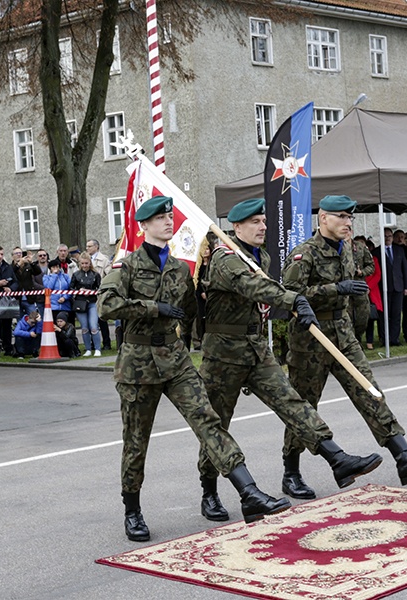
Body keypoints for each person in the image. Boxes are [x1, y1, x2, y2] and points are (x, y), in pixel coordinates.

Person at [98, 195, 291, 541]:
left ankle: (249, 492)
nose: (168, 222)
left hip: (176, 362)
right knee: (136, 442)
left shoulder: (178, 269)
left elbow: (189, 313)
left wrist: (193, 346)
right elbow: (106, 306)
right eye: (159, 218)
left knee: (209, 423)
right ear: (144, 226)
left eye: (170, 216)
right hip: (138, 366)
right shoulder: (125, 267)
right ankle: (132, 511)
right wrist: (152, 308)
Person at [196, 197, 382, 518]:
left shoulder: (261, 255)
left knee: (292, 402)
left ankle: (336, 458)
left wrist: (295, 300)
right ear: (236, 226)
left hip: (255, 346)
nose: (262, 227)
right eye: (254, 222)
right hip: (223, 353)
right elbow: (257, 288)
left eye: (264, 221)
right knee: (218, 423)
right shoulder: (227, 259)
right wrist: (295, 299)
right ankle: (209, 491)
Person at [282, 195, 407, 488]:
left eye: (350, 218)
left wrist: (359, 318)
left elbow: (354, 292)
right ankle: (291, 472)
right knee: (304, 407)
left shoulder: (348, 250)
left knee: (370, 392)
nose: (348, 223)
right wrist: (336, 288)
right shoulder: (303, 253)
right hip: (311, 340)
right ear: (323, 219)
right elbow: (289, 295)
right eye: (342, 217)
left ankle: (404, 457)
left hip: (344, 335)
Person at [371, 228, 407, 346]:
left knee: (396, 314)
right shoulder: (376, 252)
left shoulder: (399, 250)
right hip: (383, 288)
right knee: (383, 316)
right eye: (385, 236)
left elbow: (405, 269)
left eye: (390, 236)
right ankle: (384, 338)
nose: (388, 238)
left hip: (398, 287)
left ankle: (394, 339)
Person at [70, 252, 102, 356]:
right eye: (82, 263)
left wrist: (91, 291)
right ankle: (88, 349)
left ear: (90, 263)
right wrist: (79, 290)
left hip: (92, 302)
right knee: (84, 327)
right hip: (80, 303)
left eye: (86, 263)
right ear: (79, 263)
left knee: (93, 326)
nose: (84, 265)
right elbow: (71, 288)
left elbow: (100, 288)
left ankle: (97, 348)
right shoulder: (76, 275)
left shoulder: (96, 275)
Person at [87, 239, 113, 350]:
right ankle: (93, 343)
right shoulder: (86, 259)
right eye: (87, 246)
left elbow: (109, 275)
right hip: (88, 295)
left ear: (96, 247)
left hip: (100, 293)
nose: (87, 248)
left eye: (90, 246)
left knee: (102, 320)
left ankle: (107, 343)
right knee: (91, 321)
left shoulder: (104, 259)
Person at [349, 234, 375, 342]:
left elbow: (371, 266)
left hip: (359, 286)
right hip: (343, 288)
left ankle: (357, 338)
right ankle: (350, 343)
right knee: (346, 318)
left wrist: (362, 272)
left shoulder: (360, 247)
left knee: (363, 317)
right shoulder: (336, 246)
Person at [12, 246, 42, 315]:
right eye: (16, 253)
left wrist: (31, 262)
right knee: (20, 320)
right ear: (13, 256)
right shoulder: (10, 267)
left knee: (34, 318)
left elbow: (38, 272)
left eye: (20, 253)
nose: (19, 254)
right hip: (17, 299)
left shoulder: (27, 265)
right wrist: (19, 264)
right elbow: (11, 273)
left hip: (29, 298)